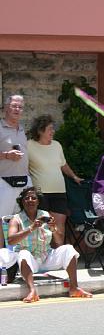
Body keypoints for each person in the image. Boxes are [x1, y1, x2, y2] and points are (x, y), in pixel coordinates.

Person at [7, 186, 92, 302]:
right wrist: (31, 228)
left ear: (38, 201)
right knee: (23, 253)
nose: (30, 200)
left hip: (46, 256)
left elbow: (59, 241)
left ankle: (74, 288)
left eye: (33, 198)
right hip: (29, 261)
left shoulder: (45, 215)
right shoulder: (16, 219)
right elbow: (11, 240)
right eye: (27, 198)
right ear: (22, 201)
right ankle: (32, 291)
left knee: (68, 249)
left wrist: (53, 229)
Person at [27, 114, 83, 244]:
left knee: (59, 227)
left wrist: (74, 176)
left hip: (59, 191)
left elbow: (63, 164)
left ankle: (59, 257)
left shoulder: (57, 145)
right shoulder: (29, 145)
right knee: (41, 226)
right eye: (50, 128)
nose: (53, 131)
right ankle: (41, 257)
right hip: (40, 193)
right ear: (40, 130)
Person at [0, 95, 31, 248]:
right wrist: (6, 155)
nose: (17, 109)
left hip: (24, 181)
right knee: (1, 221)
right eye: (14, 106)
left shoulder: (22, 129)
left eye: (20, 107)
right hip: (4, 181)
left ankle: (17, 262)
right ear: (5, 108)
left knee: (21, 221)